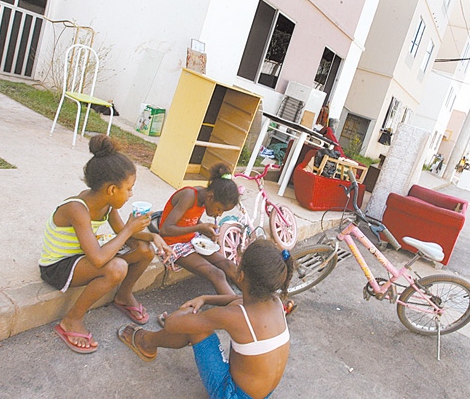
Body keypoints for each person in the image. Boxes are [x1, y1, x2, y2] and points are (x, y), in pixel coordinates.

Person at [39, 134, 172, 354]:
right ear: (111, 189)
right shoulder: (77, 209)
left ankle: (123, 295)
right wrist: (130, 228)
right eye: (128, 188)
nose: (131, 194)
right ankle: (71, 320)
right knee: (116, 267)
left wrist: (153, 237)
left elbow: (120, 231)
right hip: (58, 267)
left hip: (83, 257)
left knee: (144, 250)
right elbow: (99, 258)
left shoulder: (106, 204)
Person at [118, 239, 293, 399]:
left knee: (195, 327)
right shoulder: (275, 302)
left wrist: (182, 313)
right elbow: (236, 300)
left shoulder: (234, 316)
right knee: (195, 322)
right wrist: (204, 298)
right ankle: (183, 327)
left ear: (241, 276)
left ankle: (146, 342)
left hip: (232, 394)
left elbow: (172, 324)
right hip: (263, 394)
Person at [158, 163, 239, 295]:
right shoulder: (189, 196)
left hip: (191, 240)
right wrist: (199, 227)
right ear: (210, 197)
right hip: (172, 244)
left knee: (228, 264)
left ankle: (255, 299)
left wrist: (206, 231)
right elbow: (165, 230)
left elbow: (191, 220)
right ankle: (236, 308)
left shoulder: (204, 198)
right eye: (219, 209)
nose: (219, 214)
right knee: (216, 274)